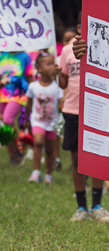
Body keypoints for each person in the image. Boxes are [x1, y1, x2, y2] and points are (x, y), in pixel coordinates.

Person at [58, 19, 109, 223]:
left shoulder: (106, 45)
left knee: (97, 156)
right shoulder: (66, 50)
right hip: (73, 109)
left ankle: (97, 205)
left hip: (97, 107)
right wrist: (57, 75)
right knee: (76, 158)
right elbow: (63, 80)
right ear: (79, 27)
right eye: (82, 25)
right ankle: (81, 207)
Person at [24, 52, 63, 184]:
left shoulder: (57, 87)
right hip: (37, 121)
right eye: (47, 64)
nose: (51, 66)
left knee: (50, 149)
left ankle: (48, 173)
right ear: (39, 69)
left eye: (52, 63)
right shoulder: (33, 86)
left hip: (52, 122)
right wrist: (25, 119)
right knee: (38, 142)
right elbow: (29, 104)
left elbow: (62, 103)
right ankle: (35, 172)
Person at [0, 51, 33, 164]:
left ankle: (18, 149)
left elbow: (29, 77)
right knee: (4, 125)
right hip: (2, 95)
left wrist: (31, 95)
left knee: (8, 120)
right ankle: (13, 155)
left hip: (19, 95)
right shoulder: (2, 56)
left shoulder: (25, 56)